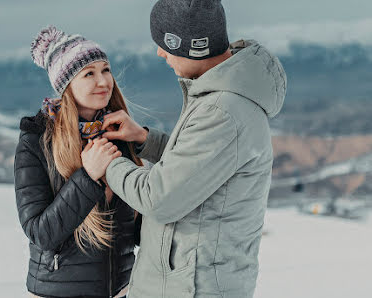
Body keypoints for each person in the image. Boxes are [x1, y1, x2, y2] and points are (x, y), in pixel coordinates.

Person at [97, 0, 287, 297]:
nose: (160, 53)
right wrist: (145, 141)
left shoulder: (224, 112)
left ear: (194, 46)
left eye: (166, 45)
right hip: (185, 282)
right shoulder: (221, 99)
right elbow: (196, 168)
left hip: (192, 287)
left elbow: (158, 197)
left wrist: (107, 163)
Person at [14, 26, 143, 298]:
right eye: (89, 73)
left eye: (106, 70)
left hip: (121, 290)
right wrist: (87, 177)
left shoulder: (119, 133)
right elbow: (41, 233)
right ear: (67, 85)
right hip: (57, 292)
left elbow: (135, 229)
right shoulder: (36, 141)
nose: (104, 81)